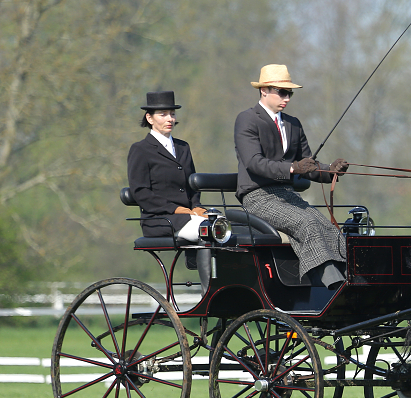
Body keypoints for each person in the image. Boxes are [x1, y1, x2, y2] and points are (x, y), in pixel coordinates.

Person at [234, 64, 349, 289]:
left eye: (290, 93)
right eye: (282, 92)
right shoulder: (247, 119)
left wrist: (330, 170)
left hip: (287, 195)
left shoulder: (293, 123)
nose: (287, 98)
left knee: (327, 227)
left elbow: (308, 164)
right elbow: (254, 163)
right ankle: (332, 287)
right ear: (264, 90)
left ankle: (349, 279)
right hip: (258, 196)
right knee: (307, 223)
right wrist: (292, 169)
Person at [127, 91, 207, 240]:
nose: (170, 119)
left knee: (225, 226)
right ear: (149, 118)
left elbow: (192, 185)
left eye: (172, 114)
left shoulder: (183, 147)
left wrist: (196, 206)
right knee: (209, 231)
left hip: (190, 215)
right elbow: (140, 191)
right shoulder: (140, 149)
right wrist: (176, 209)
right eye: (163, 114)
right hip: (159, 219)